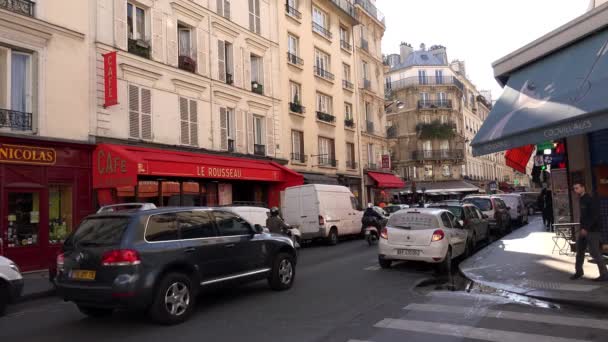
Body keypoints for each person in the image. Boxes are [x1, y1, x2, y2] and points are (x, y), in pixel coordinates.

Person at [570, 182, 608, 281]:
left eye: (577, 188)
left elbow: (594, 216)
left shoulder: (590, 199)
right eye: (574, 188)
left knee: (594, 252)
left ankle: (604, 274)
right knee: (579, 252)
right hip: (583, 231)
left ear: (583, 187)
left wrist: (586, 228)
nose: (576, 190)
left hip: (592, 231)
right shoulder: (581, 199)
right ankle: (579, 272)